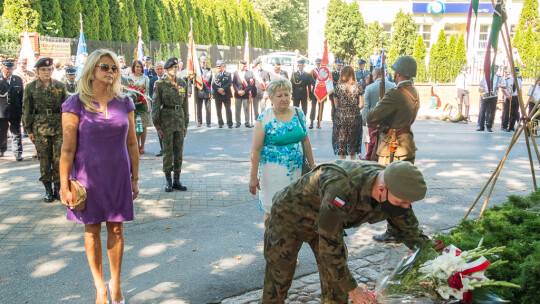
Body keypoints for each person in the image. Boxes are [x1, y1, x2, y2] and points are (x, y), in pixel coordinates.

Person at [261, 160, 430, 304]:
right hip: (289, 217)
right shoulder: (341, 188)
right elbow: (330, 248)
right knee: (278, 280)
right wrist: (354, 289)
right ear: (381, 190)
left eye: (409, 203)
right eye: (401, 202)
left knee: (336, 287)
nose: (405, 207)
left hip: (327, 221)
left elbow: (411, 232)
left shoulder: (395, 190)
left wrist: (442, 257)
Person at [59, 49, 139, 304]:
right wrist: (64, 185)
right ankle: (99, 287)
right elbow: (67, 148)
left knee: (116, 229)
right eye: (105, 67)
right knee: (92, 229)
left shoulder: (124, 102)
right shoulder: (75, 103)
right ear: (92, 69)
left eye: (114, 67)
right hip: (86, 178)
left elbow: (132, 143)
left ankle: (115, 285)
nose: (111, 71)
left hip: (118, 176)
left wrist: (135, 178)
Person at [366, 55, 420, 244]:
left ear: (396, 73)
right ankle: (401, 230)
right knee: (401, 191)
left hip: (393, 148)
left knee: (390, 192)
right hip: (406, 144)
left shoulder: (395, 94)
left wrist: (380, 105)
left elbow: (371, 117)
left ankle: (396, 231)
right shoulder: (413, 91)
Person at [249, 77, 314, 221]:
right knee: (272, 211)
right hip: (272, 175)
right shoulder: (264, 119)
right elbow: (256, 150)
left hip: (297, 173)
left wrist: (313, 166)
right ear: (271, 97)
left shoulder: (298, 113)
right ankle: (270, 242)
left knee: (293, 211)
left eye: (287, 95)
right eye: (279, 96)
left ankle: (290, 242)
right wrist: (253, 177)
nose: (284, 99)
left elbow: (306, 141)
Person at [23, 57, 68, 202]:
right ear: (37, 71)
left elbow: (66, 107)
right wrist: (29, 129)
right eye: (43, 70)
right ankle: (48, 190)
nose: (46, 72)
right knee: (44, 159)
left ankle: (58, 188)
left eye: (49, 69)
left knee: (58, 159)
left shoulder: (60, 85)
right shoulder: (31, 88)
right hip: (40, 128)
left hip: (58, 127)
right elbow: (27, 109)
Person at [152, 57, 189, 192]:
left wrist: (186, 124)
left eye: (176, 67)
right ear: (166, 70)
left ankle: (177, 180)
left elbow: (185, 105)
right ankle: (168, 180)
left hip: (179, 121)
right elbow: (156, 105)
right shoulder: (160, 84)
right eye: (171, 68)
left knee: (178, 151)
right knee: (168, 152)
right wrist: (157, 126)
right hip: (166, 121)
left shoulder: (182, 83)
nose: (174, 70)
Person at [362, 68, 396, 161]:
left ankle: (369, 157)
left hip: (373, 119)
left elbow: (365, 106)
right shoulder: (393, 86)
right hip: (389, 119)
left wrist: (364, 120)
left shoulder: (369, 87)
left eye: (373, 76)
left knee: (373, 141)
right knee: (387, 140)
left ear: (376, 75)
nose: (372, 78)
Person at [332, 65, 363, 160]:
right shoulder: (358, 87)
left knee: (342, 143)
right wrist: (354, 109)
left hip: (341, 117)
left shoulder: (337, 87)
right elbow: (362, 104)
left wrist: (344, 109)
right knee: (353, 143)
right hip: (355, 117)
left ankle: (343, 166)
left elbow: (336, 105)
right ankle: (352, 166)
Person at [0, 59, 24, 160]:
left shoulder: (17, 79)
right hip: (1, 111)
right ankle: (1, 149)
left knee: (16, 132)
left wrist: (22, 111)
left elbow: (21, 96)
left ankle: (17, 152)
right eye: (7, 69)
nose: (9, 71)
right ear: (2, 67)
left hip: (15, 110)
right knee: (1, 132)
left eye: (11, 69)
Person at [128, 60, 151, 153]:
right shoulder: (129, 78)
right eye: (137, 66)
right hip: (134, 103)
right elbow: (128, 90)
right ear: (133, 67)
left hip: (143, 103)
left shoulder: (145, 78)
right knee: (135, 125)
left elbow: (147, 91)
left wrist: (148, 105)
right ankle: (136, 144)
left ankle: (143, 145)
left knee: (144, 125)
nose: (138, 68)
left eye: (140, 67)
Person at [477, 65, 503, 132]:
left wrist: (499, 85)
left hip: (493, 95)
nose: (495, 70)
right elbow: (481, 84)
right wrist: (483, 88)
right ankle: (481, 126)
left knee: (492, 111)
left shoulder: (498, 77)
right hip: (486, 95)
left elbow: (504, 85)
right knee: (483, 110)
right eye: (494, 68)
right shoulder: (487, 76)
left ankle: (489, 125)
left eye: (496, 69)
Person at [233, 60, 255, 128]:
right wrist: (237, 91)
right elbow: (234, 83)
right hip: (238, 94)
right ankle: (238, 122)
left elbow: (251, 84)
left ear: (245, 66)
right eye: (239, 65)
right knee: (237, 109)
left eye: (241, 65)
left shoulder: (249, 73)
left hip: (246, 93)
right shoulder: (236, 73)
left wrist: (244, 91)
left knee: (246, 109)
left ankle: (247, 122)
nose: (240, 66)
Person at [149, 61, 166, 156]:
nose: (160, 71)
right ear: (155, 70)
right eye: (158, 69)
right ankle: (162, 149)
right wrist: (157, 103)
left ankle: (169, 149)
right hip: (157, 108)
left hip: (167, 107)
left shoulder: (168, 79)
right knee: (159, 128)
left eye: (161, 69)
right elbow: (151, 93)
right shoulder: (152, 80)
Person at [192, 56, 213, 128]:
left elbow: (211, 82)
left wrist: (212, 92)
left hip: (207, 92)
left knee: (208, 109)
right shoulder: (196, 71)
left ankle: (208, 123)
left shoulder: (209, 70)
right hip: (199, 91)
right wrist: (192, 77)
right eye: (201, 62)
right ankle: (199, 122)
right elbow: (192, 81)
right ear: (199, 62)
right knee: (199, 108)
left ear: (206, 62)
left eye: (204, 62)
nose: (202, 63)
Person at [212, 60, 233, 129]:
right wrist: (219, 90)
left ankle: (229, 123)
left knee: (228, 109)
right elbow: (213, 84)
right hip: (218, 94)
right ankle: (220, 122)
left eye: (219, 66)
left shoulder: (228, 74)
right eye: (217, 66)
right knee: (218, 109)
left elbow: (229, 83)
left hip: (226, 94)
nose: (218, 68)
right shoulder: (215, 74)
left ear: (223, 66)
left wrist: (223, 89)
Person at [506, 67, 523, 132]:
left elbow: (520, 89)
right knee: (508, 111)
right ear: (512, 72)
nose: (516, 74)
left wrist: (520, 97)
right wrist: (507, 95)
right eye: (515, 73)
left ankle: (512, 126)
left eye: (517, 73)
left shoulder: (519, 80)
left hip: (516, 97)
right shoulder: (508, 79)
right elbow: (506, 88)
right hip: (510, 96)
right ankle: (506, 125)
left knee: (515, 111)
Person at [309, 58, 324, 129]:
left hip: (322, 91)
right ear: (316, 64)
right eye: (317, 63)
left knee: (321, 107)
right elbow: (311, 81)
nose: (319, 64)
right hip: (315, 91)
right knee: (313, 107)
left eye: (320, 63)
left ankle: (319, 122)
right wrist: (317, 85)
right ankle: (312, 121)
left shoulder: (324, 71)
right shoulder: (312, 72)